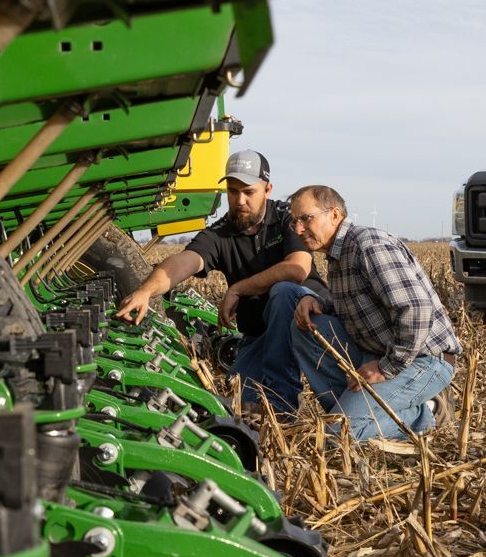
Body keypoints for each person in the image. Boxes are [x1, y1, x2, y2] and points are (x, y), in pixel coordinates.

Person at [115, 150, 327, 415]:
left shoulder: (286, 219)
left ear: (267, 189)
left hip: (310, 320)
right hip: (259, 335)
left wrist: (238, 288)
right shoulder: (221, 234)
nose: (240, 201)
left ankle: (281, 405)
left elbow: (297, 268)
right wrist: (146, 291)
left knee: (283, 292)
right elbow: (184, 262)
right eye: (232, 191)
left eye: (249, 192)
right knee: (236, 406)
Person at [287, 184, 459, 440]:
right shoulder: (337, 256)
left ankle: (427, 414)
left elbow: (416, 310)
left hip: (423, 360)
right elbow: (355, 306)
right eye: (294, 222)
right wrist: (318, 304)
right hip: (377, 352)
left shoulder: (369, 245)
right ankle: (348, 410)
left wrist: (385, 368)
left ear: (334, 215)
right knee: (305, 326)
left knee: (339, 435)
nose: (299, 229)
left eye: (306, 218)